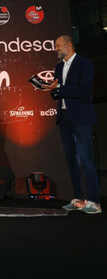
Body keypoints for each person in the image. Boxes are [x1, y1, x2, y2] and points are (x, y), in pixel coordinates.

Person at [42, 35, 101, 214]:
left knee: (86, 160)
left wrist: (59, 88)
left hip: (81, 118)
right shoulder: (59, 67)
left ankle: (94, 201)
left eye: (58, 45)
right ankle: (78, 198)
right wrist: (52, 90)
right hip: (65, 118)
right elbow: (59, 93)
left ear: (69, 45)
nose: (56, 49)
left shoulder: (84, 63)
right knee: (71, 160)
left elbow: (85, 91)